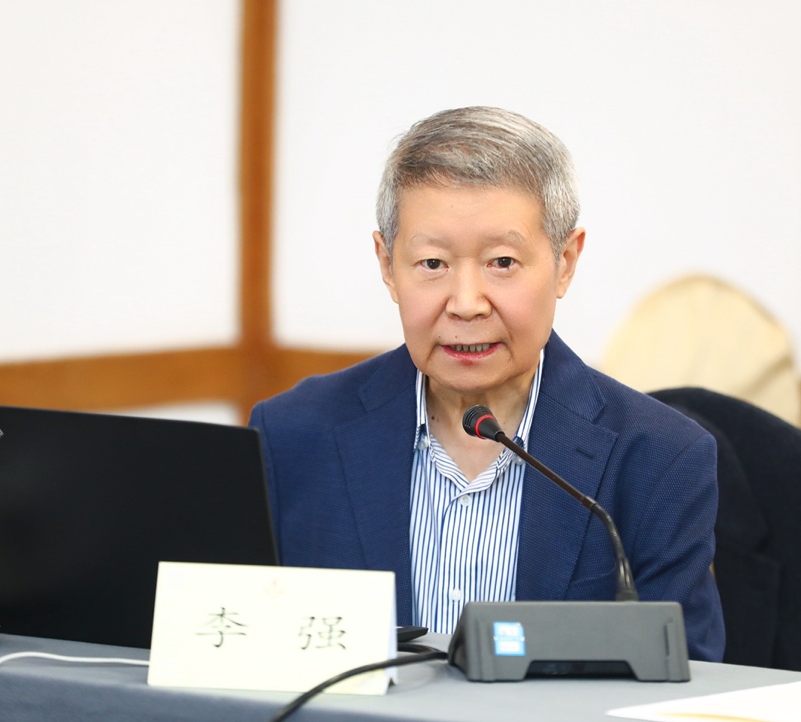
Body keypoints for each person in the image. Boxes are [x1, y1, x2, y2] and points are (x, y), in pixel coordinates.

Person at [249, 106, 725, 661]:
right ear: (386, 265)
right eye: (432, 264)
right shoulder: (293, 436)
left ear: (565, 262)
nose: (467, 303)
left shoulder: (660, 458)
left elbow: (686, 677)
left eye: (502, 262)